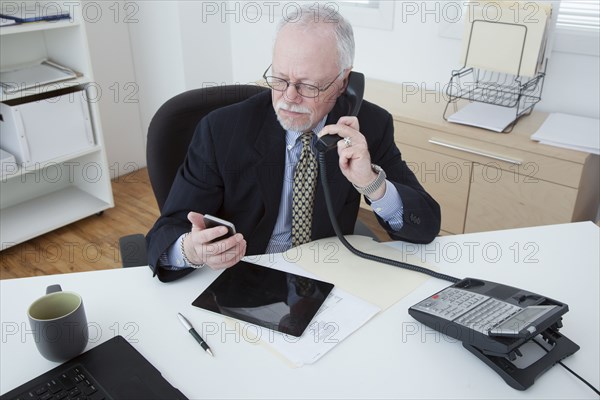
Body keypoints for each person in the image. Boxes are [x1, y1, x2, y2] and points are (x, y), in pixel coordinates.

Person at [146, 4, 441, 282]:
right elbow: (165, 233)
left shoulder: (370, 127)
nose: (289, 97)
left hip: (327, 278)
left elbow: (426, 225)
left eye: (308, 85)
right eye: (280, 78)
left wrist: (373, 184)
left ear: (343, 82)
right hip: (244, 275)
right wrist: (191, 250)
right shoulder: (220, 130)